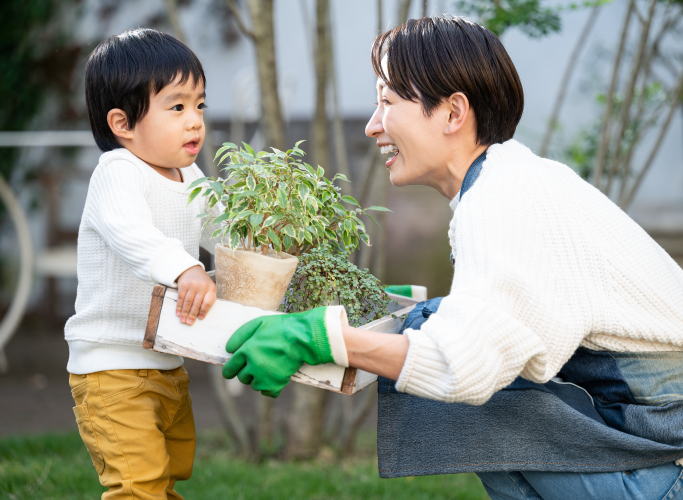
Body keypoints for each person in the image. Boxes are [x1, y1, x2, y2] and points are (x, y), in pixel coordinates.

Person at [222, 16, 683, 500]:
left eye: (388, 102)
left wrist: (321, 338)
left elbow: (463, 365)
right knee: (436, 329)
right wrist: (398, 314)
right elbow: (499, 323)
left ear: (452, 113)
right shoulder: (508, 182)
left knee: (468, 387)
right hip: (642, 444)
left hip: (664, 464)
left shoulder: (507, 196)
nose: (372, 124)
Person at [65, 28, 218, 499]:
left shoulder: (190, 175)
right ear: (122, 123)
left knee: (168, 473)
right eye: (177, 107)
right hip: (111, 366)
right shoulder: (117, 172)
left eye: (199, 106)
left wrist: (267, 246)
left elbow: (226, 226)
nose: (194, 121)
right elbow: (135, 236)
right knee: (138, 484)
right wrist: (185, 268)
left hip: (167, 362)